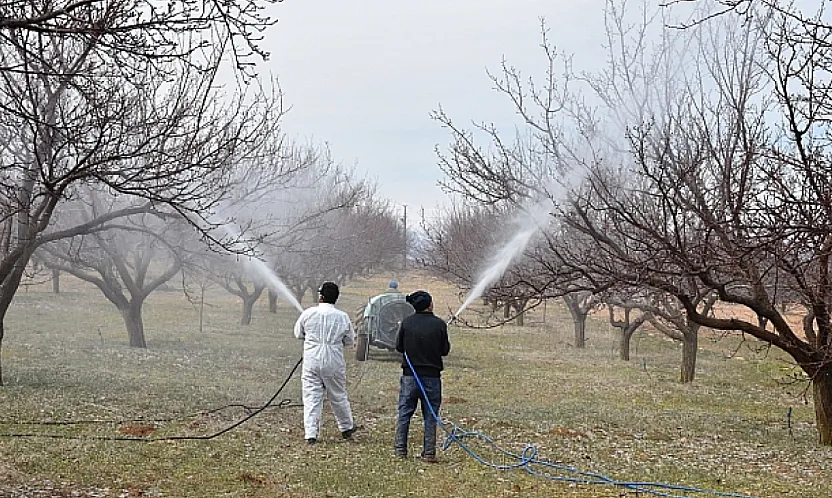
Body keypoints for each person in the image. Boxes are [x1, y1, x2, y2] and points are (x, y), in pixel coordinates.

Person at [294, 281, 357, 445]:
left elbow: (298, 333)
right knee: (338, 394)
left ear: (320, 297)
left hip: (311, 360)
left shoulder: (308, 313)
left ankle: (311, 434)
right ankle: (346, 427)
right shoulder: (342, 317)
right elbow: (350, 340)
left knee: (311, 397)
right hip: (334, 360)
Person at [394, 290, 451, 462]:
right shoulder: (439, 324)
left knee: (404, 413)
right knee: (430, 416)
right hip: (432, 379)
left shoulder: (406, 323)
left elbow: (399, 347)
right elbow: (444, 351)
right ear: (430, 305)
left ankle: (400, 450)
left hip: (409, 377)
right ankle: (429, 453)